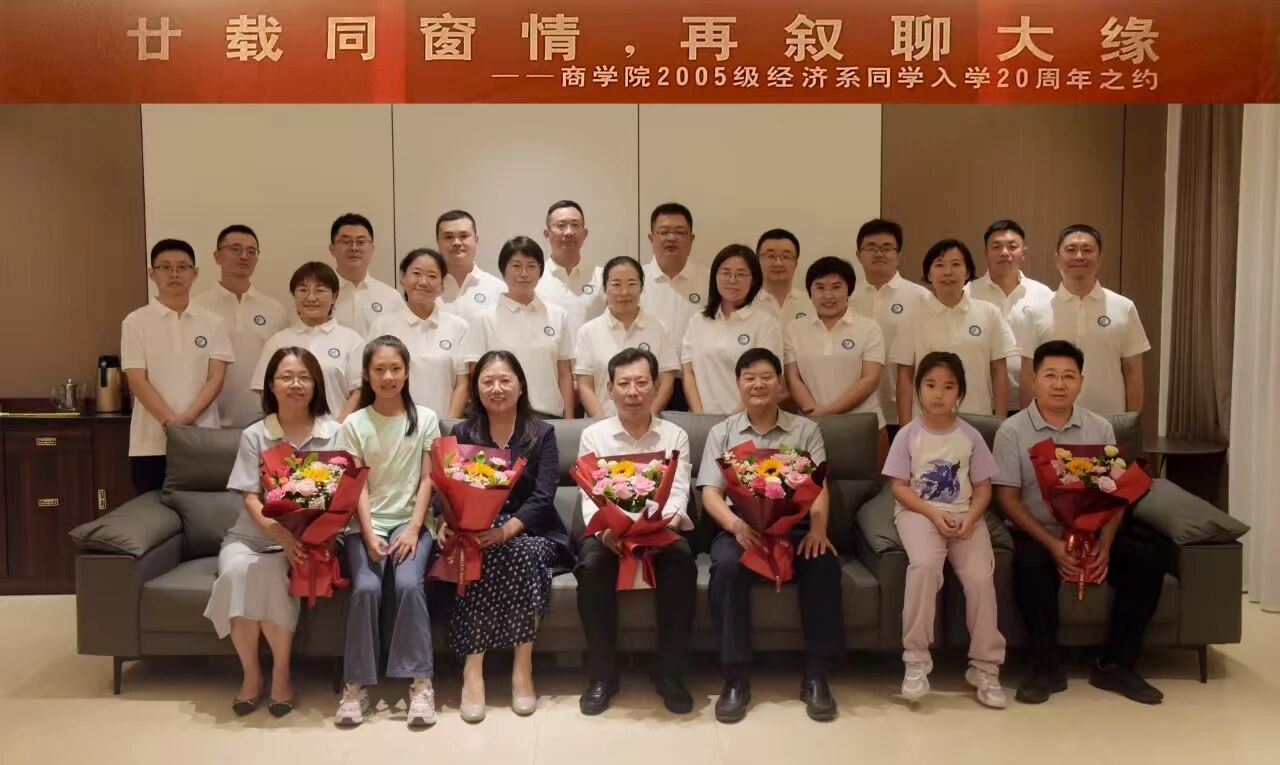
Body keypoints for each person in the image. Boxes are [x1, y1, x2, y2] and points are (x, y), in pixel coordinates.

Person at [994, 340, 1167, 705]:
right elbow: (1008, 499)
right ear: (1034, 380)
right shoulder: (1012, 431)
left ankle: (1116, 665)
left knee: (1146, 560)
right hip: (1038, 534)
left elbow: (1113, 494)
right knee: (1030, 566)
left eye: (1068, 376)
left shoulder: (1099, 428)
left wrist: (1105, 544)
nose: (1059, 384)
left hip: (1093, 530)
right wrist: (1054, 545)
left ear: (1081, 382)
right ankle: (1045, 668)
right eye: (1050, 375)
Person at [698, 349, 843, 723]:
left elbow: (818, 486)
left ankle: (816, 675)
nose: (758, 384)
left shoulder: (805, 430)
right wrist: (735, 525)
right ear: (739, 384)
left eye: (766, 377)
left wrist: (818, 530)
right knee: (727, 567)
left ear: (780, 383)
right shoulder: (722, 432)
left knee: (823, 562)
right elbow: (711, 492)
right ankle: (735, 678)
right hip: (742, 527)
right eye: (749, 377)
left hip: (795, 526)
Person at [203, 347, 337, 719]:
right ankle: (251, 675)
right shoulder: (255, 435)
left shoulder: (334, 432)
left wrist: (312, 538)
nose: (296, 384)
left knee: (270, 573)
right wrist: (281, 536)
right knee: (237, 572)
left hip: (307, 540)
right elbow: (250, 495)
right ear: (271, 385)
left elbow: (343, 493)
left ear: (316, 385)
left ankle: (281, 675)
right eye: (286, 377)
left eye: (304, 377)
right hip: (252, 536)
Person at [441, 351, 573, 722]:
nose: (496, 388)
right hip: (476, 528)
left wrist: (505, 530)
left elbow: (543, 496)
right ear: (476, 388)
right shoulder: (463, 433)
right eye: (488, 381)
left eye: (505, 380)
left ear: (520, 386)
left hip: (531, 529)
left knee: (520, 553)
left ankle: (522, 668)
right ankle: (473, 670)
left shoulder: (542, 433)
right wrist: (444, 521)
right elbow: (447, 489)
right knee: (478, 550)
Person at [574, 348, 696, 716]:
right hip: (609, 533)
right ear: (609, 389)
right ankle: (603, 676)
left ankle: (670, 673)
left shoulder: (675, 435)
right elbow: (589, 495)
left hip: (660, 529)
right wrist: (605, 534)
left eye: (642, 382)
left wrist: (657, 529)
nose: (633, 391)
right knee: (592, 565)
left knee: (681, 560)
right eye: (624, 383)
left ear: (656, 387)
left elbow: (678, 493)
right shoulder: (593, 435)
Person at [882, 352, 1007, 709]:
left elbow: (983, 488)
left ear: (960, 393)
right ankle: (916, 660)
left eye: (948, 387)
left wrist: (970, 517)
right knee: (924, 568)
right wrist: (933, 514)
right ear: (919, 389)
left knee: (980, 578)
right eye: (931, 385)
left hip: (965, 516)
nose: (939, 394)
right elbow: (899, 487)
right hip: (918, 513)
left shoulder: (970, 436)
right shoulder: (907, 435)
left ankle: (985, 667)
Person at [335, 336, 440, 728]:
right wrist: (367, 533)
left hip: (411, 522)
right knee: (366, 588)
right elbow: (356, 485)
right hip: (365, 524)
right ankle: (356, 686)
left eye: (395, 368)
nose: (388, 376)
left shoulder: (425, 418)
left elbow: (428, 479)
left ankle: (420, 683)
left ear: (407, 372)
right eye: (379, 369)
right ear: (367, 374)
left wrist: (413, 529)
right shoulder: (354, 424)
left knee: (409, 585)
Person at [121, 239, 233, 494]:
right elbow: (137, 380)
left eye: (182, 267)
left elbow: (216, 378)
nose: (174, 274)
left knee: (204, 511)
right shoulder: (135, 322)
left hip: (203, 438)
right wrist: (170, 422)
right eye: (165, 267)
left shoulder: (213, 322)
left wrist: (188, 418)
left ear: (195, 273)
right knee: (153, 509)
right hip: (151, 442)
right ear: (152, 274)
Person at [1016, 225, 1150, 415]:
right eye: (1071, 250)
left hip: (1109, 420)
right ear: (1057, 258)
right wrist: (1028, 423)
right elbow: (1028, 375)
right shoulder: (1036, 311)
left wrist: (1131, 422)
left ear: (1100, 258)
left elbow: (1133, 372)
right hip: (1051, 422)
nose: (1079, 256)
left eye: (1087, 250)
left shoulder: (1124, 307)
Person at [890, 239, 1017, 424]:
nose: (948, 272)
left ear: (967, 272)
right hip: (926, 422)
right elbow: (905, 376)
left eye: (956, 264)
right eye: (939, 265)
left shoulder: (989, 313)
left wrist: (999, 422)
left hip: (978, 418)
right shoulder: (912, 317)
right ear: (929, 274)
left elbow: (999, 371)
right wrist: (905, 428)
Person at [784, 256, 886, 462]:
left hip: (863, 425)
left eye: (836, 287)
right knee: (808, 481)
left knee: (872, 481)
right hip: (810, 425)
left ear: (849, 290)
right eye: (820, 287)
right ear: (810, 292)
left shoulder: (868, 327)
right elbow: (793, 378)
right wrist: (815, 413)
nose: (828, 295)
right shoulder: (795, 329)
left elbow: (870, 379)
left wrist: (827, 412)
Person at [192, 225, 287, 427]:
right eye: (235, 249)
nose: (244, 256)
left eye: (251, 251)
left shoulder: (274, 310)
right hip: (207, 420)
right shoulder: (196, 307)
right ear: (217, 256)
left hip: (263, 421)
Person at [470, 236, 574, 419]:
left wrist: (569, 419)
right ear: (503, 269)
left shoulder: (558, 316)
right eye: (516, 266)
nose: (524, 273)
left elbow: (564, 373)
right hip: (499, 416)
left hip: (550, 416)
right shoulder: (483, 318)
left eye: (532, 266)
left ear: (540, 271)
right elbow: (475, 374)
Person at [252, 262, 363, 421]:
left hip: (338, 432)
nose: (311, 298)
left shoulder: (352, 341)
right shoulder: (278, 341)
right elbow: (266, 393)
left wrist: (338, 429)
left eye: (320, 290)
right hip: (288, 432)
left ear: (334, 296)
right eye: (303, 290)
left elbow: (358, 393)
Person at [850, 219, 931, 437]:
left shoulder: (920, 297)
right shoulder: (847, 297)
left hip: (906, 410)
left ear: (899, 255)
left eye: (886, 248)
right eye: (871, 247)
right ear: (858, 255)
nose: (879, 253)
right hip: (857, 409)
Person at [370, 248, 473, 418]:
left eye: (432, 276)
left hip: (442, 424)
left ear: (442, 284)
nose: (423, 282)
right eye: (416, 273)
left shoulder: (458, 327)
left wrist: (447, 425)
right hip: (393, 424)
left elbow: (462, 384)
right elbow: (373, 379)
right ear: (403, 277)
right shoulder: (382, 326)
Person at [681, 244, 783, 415]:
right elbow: (688, 372)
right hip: (703, 420)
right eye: (726, 273)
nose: (732, 280)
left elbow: (770, 380)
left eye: (741, 274)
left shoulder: (766, 323)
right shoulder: (698, 320)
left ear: (754, 279)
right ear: (715, 276)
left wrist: (733, 422)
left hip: (748, 420)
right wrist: (700, 417)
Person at [574, 255, 678, 417]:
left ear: (642, 287)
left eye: (632, 284)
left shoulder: (659, 329)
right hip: (602, 423)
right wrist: (602, 424)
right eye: (616, 284)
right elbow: (585, 386)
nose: (624, 292)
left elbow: (666, 382)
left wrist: (647, 418)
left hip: (648, 423)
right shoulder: (588, 332)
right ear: (605, 288)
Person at [968, 220, 1053, 415]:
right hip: (982, 402)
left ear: (1024, 252)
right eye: (996, 247)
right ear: (986, 253)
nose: (1004, 252)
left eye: (1012, 247)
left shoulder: (1044, 295)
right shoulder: (968, 293)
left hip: (1033, 402)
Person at [639, 202, 704, 411]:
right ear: (651, 238)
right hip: (648, 383)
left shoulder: (710, 282)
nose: (671, 238)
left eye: (680, 232)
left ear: (691, 239)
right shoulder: (635, 280)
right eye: (664, 231)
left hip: (696, 383)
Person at [536, 200, 605, 340]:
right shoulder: (535, 278)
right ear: (547, 233)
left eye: (575, 225)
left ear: (585, 233)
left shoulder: (602, 277)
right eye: (561, 225)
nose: (568, 232)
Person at [327, 213, 401, 337]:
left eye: (361, 242)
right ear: (332, 249)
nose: (354, 248)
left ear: (372, 249)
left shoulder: (391, 297)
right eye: (346, 241)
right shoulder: (319, 296)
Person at [435, 209, 505, 331]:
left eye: (463, 236)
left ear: (476, 240)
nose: (456, 243)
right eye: (448, 237)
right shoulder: (426, 290)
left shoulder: (497, 289)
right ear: (438, 243)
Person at [755, 228, 811, 325]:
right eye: (771, 256)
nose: (778, 263)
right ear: (757, 261)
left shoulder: (811, 303)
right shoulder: (745, 304)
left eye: (786, 256)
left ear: (796, 263)